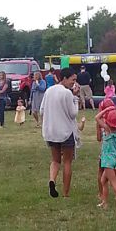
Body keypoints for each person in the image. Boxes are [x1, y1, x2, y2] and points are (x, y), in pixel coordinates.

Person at [40, 67, 79, 198]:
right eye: (72, 80)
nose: (73, 83)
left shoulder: (49, 91)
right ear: (64, 78)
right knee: (67, 161)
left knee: (55, 160)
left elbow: (41, 110)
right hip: (65, 132)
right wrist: (76, 98)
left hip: (51, 131)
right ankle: (66, 193)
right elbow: (73, 114)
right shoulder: (67, 93)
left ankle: (52, 180)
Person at [95, 106, 116, 211]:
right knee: (103, 180)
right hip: (115, 158)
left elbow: (97, 118)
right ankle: (104, 203)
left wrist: (105, 110)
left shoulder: (107, 130)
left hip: (107, 160)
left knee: (113, 182)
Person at [96, 98, 116, 201]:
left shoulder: (102, 123)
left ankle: (101, 194)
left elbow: (99, 138)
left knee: (101, 172)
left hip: (106, 153)